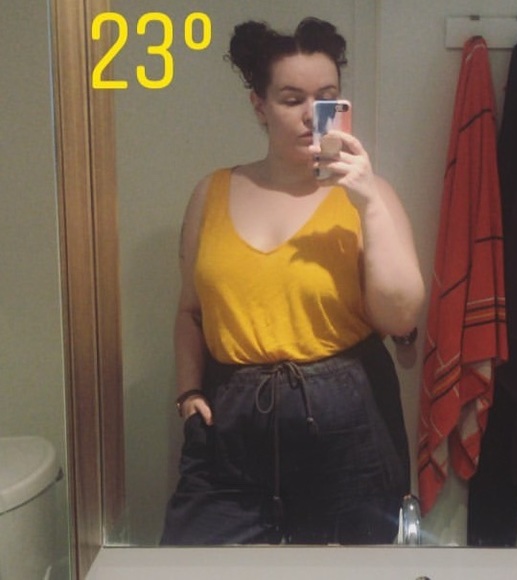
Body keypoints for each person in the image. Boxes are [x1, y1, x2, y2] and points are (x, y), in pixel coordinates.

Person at [160, 17, 425, 546]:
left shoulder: (370, 196)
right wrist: (189, 393)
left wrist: (369, 202)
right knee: (192, 563)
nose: (311, 115)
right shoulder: (211, 193)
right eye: (291, 99)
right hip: (231, 422)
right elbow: (191, 311)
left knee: (349, 572)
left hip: (348, 423)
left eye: (326, 98)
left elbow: (401, 318)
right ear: (259, 105)